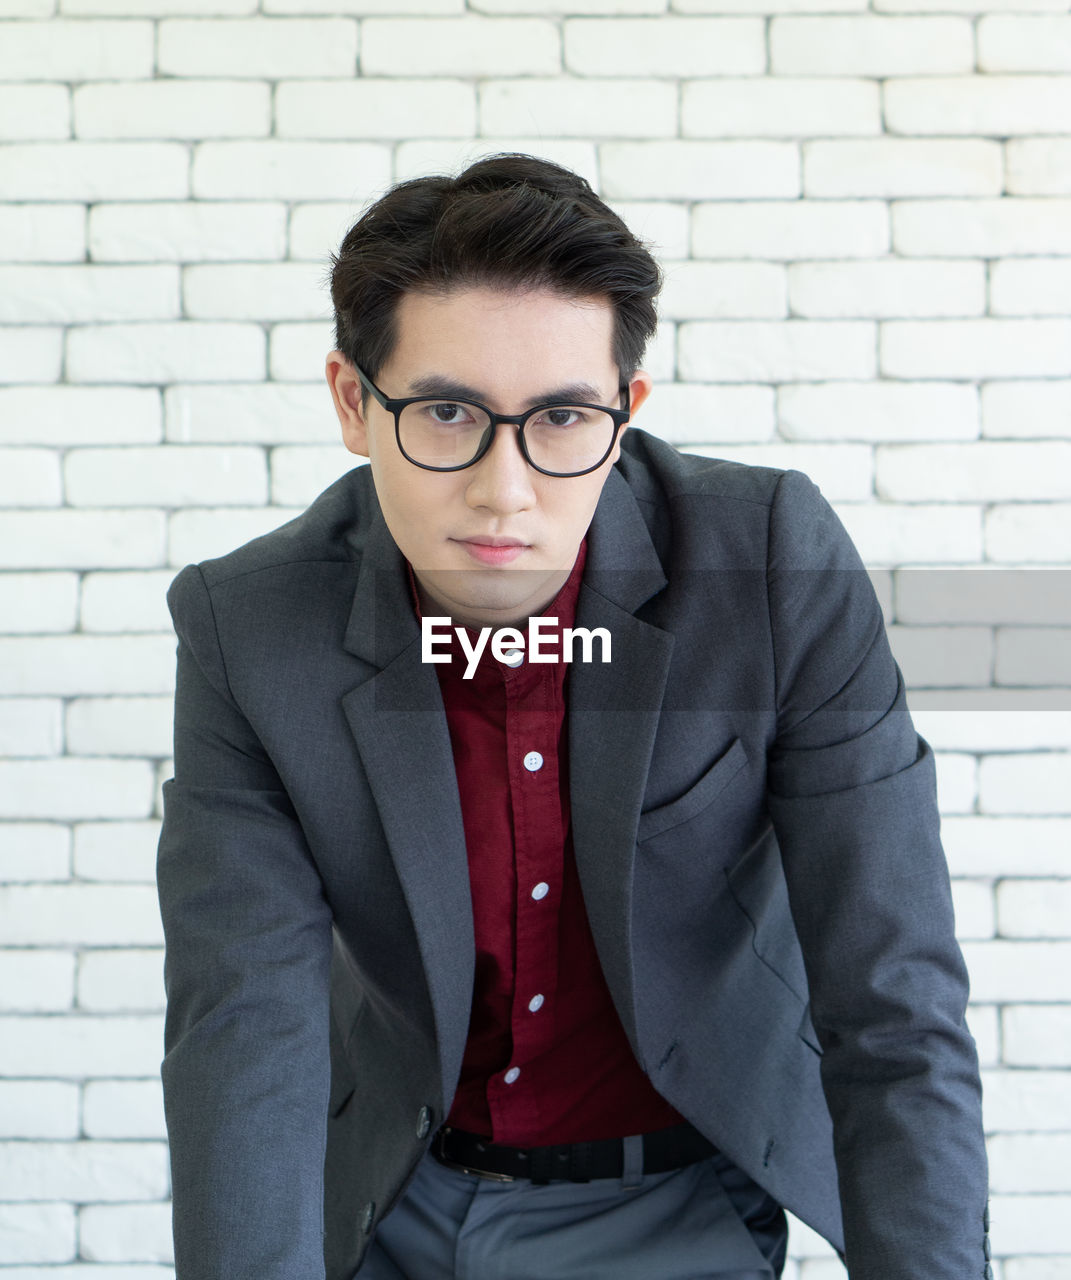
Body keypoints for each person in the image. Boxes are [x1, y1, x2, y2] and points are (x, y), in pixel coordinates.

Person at [156, 154, 990, 1280]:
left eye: (560, 419)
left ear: (625, 409)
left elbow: (892, 995)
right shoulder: (249, 627)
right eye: (445, 412)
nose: (505, 488)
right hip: (387, 1197)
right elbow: (243, 1030)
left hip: (678, 1199)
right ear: (355, 402)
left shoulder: (770, 564)